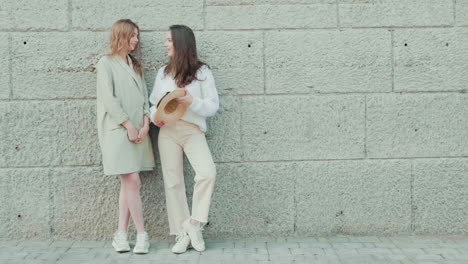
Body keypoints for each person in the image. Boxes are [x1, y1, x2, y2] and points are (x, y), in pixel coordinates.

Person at [149, 25, 219, 254]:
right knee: (173, 182)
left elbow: (212, 106)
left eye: (169, 40)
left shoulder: (202, 72)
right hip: (168, 131)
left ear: (181, 43)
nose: (165, 43)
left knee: (207, 173)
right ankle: (181, 233)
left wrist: (192, 103)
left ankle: (194, 224)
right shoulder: (163, 72)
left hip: (192, 130)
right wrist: (155, 118)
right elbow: (153, 104)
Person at [96, 19, 155, 254]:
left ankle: (121, 234)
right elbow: (108, 100)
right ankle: (142, 234)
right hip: (118, 131)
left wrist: (146, 123)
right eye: (133, 36)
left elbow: (144, 96)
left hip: (139, 131)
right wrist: (129, 126)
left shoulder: (134, 64)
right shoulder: (105, 63)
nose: (136, 40)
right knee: (133, 181)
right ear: (122, 35)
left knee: (128, 185)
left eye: (137, 36)